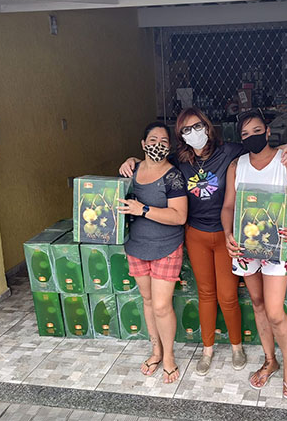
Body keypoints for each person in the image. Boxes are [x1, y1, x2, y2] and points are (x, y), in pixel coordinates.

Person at [119, 108, 287, 376]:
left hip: (227, 234)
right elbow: (154, 160)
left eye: (198, 126)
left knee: (228, 296)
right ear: (181, 136)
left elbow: (260, 148)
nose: (194, 133)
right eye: (186, 130)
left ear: (208, 126)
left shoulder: (230, 153)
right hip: (196, 234)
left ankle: (236, 347)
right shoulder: (180, 160)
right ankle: (207, 350)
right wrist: (132, 159)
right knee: (205, 294)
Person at [221, 110, 287, 400]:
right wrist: (228, 234)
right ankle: (270, 360)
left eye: (257, 131)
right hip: (245, 246)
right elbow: (228, 206)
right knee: (258, 303)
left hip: (277, 245)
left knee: (274, 310)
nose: (252, 137)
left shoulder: (286, 160)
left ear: (268, 131)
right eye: (245, 134)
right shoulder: (236, 166)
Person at [118, 122, 188, 384]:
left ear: (170, 146)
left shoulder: (173, 176)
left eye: (164, 141)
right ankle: (156, 350)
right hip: (136, 246)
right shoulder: (132, 170)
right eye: (153, 140)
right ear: (143, 144)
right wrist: (128, 161)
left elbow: (179, 216)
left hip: (166, 247)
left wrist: (143, 210)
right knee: (147, 301)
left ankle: (168, 356)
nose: (158, 145)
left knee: (161, 306)